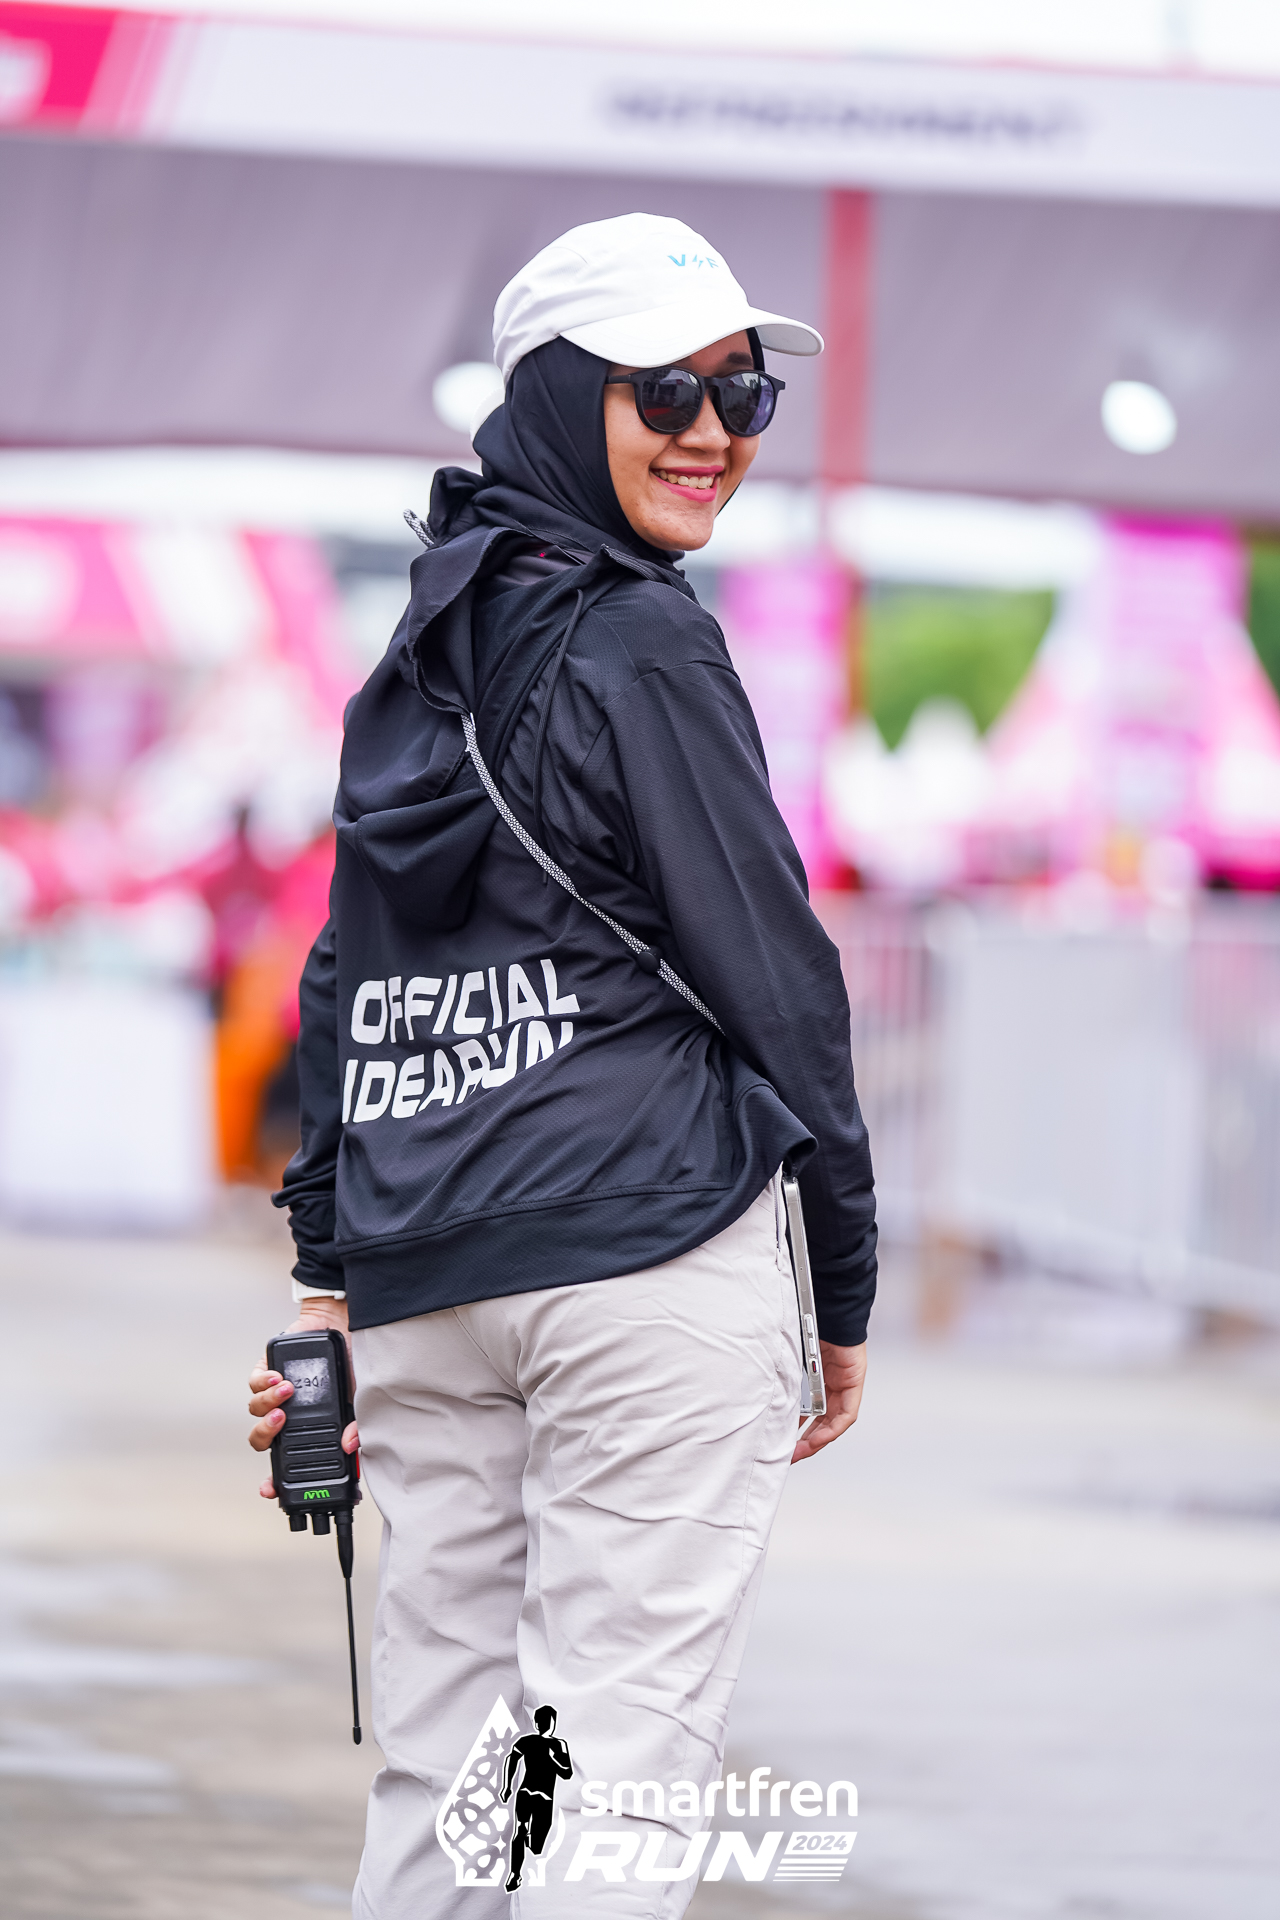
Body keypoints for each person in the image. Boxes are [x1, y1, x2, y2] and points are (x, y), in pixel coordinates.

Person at [247, 212, 876, 1919]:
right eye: (662, 390)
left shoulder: (416, 649)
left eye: (743, 393)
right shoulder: (641, 639)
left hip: (433, 1275)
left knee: (446, 1779)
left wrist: (328, 1275)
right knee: (614, 1767)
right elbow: (777, 974)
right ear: (551, 397)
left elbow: (344, 974)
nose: (712, 431)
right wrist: (842, 1272)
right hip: (642, 1249)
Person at [500, 1705, 573, 1891]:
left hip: (542, 1798)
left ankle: (528, 1841)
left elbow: (567, 1773)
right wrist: (507, 1786)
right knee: (520, 1829)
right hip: (528, 1793)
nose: (547, 1725)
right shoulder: (529, 1741)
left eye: (548, 1721)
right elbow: (511, 1759)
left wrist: (551, 1759)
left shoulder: (558, 1744)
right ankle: (515, 1874)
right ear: (538, 1723)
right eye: (544, 1721)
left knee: (536, 1845)